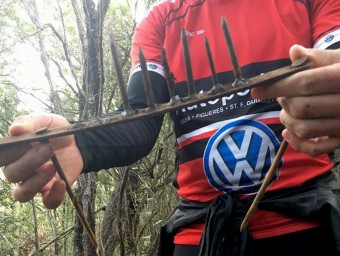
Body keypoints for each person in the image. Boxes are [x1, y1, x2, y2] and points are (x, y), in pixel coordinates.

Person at [1, 0, 340, 255]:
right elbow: (139, 122)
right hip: (201, 234)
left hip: (307, 221)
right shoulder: (162, 21)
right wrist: (80, 142)